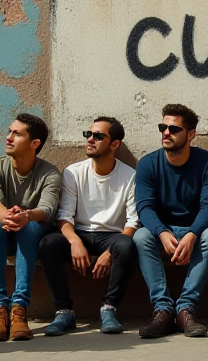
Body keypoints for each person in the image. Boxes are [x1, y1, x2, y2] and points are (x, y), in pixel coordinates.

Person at [38, 117, 138, 336]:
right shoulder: (73, 172)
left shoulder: (130, 176)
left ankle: (109, 309)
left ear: (115, 144)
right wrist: (74, 242)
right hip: (80, 233)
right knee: (48, 243)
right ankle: (64, 311)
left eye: (98, 136)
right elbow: (64, 216)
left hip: (112, 236)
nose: (90, 139)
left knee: (126, 246)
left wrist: (110, 253)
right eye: (88, 134)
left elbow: (132, 221)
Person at [133, 104, 208, 338]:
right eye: (163, 127)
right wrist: (161, 232)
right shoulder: (148, 164)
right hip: (163, 232)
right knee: (141, 235)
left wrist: (192, 234)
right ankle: (163, 310)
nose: (166, 133)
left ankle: (185, 309)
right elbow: (144, 207)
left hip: (194, 231)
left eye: (173, 129)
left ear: (191, 134)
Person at [0, 114, 60, 341]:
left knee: (29, 227)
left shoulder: (50, 173)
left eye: (17, 134)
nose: (8, 137)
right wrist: (6, 216)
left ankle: (19, 309)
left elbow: (47, 208)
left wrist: (27, 216)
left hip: (32, 234)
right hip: (5, 232)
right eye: (10, 131)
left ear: (34, 143)